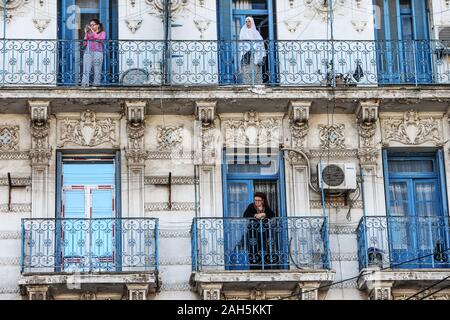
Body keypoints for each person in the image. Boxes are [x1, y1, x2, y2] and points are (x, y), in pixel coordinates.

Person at [242, 192, 276, 269]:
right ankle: (254, 266)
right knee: (253, 248)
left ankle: (266, 267)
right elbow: (245, 215)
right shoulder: (251, 206)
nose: (256, 202)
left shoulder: (265, 208)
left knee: (265, 248)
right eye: (255, 200)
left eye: (258, 200)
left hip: (264, 232)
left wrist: (265, 214)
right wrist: (255, 215)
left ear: (262, 201)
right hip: (253, 232)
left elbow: (272, 215)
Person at [238, 16, 266, 84]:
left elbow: (260, 42)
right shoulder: (243, 31)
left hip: (255, 54)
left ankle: (257, 83)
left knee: (256, 69)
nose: (248, 23)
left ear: (252, 22)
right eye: (246, 21)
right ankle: (247, 83)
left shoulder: (256, 32)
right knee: (247, 69)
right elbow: (241, 42)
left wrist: (254, 46)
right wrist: (249, 47)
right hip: (246, 54)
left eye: (249, 21)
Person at [81, 19, 106, 86]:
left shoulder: (102, 33)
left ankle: (96, 84)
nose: (91, 26)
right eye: (90, 25)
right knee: (86, 68)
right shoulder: (89, 33)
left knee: (97, 68)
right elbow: (84, 43)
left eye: (93, 25)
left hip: (98, 52)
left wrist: (92, 31)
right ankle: (85, 84)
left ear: (98, 25)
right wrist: (86, 33)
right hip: (88, 52)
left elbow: (98, 38)